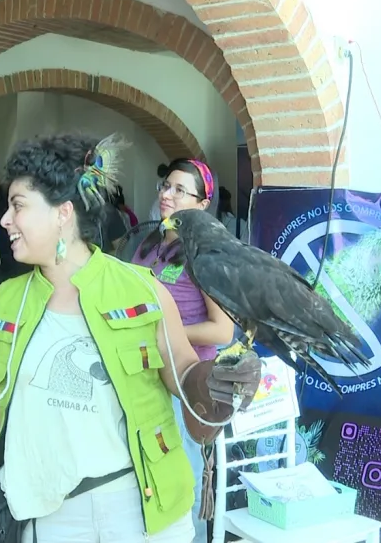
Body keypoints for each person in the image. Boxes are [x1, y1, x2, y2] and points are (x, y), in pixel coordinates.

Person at [0, 134, 261, 543]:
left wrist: (219, 380)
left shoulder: (140, 289)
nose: (4, 219)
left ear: (62, 214)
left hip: (138, 508)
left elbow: (185, 376)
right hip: (49, 512)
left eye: (18, 206)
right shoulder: (9, 297)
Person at [131, 158, 235, 543]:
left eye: (179, 190)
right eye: (165, 186)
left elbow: (222, 330)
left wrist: (166, 332)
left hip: (185, 384)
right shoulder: (149, 244)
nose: (167, 195)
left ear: (203, 203)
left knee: (182, 478)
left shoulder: (204, 253)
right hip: (145, 380)